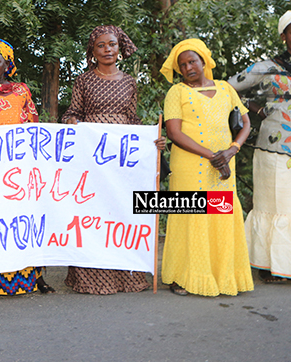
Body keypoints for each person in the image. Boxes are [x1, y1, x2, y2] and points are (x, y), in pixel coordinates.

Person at [61, 26, 165, 295]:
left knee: (120, 210)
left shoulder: (130, 81)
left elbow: (133, 120)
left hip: (122, 159)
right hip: (92, 156)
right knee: (92, 213)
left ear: (120, 48)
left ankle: (127, 277)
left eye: (112, 44)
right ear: (92, 51)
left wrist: (151, 140)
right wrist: (72, 121)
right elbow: (72, 112)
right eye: (101, 46)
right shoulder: (83, 81)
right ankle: (91, 278)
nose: (107, 49)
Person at [160, 38, 254, 297]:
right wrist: (212, 155)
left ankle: (221, 274)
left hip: (224, 166)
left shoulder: (226, 89)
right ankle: (181, 277)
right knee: (190, 216)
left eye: (192, 61)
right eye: (182, 64)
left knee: (221, 214)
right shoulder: (176, 93)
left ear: (203, 62)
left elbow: (246, 123)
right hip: (191, 166)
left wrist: (232, 149)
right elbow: (174, 132)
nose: (188, 67)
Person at [0, 38, 54, 297]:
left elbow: (32, 125)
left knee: (22, 221)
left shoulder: (21, 91)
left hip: (19, 168)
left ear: (7, 64)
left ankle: (30, 279)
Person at [228, 11, 291, 283]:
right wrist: (258, 109)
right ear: (283, 36)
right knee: (273, 205)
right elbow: (228, 89)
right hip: (273, 149)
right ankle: (269, 267)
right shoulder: (266, 67)